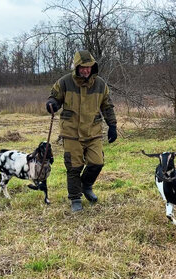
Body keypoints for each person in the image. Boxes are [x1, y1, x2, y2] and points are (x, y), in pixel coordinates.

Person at [46, 50, 117, 212]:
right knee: (74, 166)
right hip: (71, 132)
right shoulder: (64, 82)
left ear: (93, 67)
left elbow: (107, 106)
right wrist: (52, 104)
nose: (86, 70)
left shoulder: (100, 84)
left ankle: (86, 185)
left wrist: (112, 125)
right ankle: (75, 198)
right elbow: (54, 97)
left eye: (89, 67)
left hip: (93, 131)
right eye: (82, 68)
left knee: (97, 162)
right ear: (76, 67)